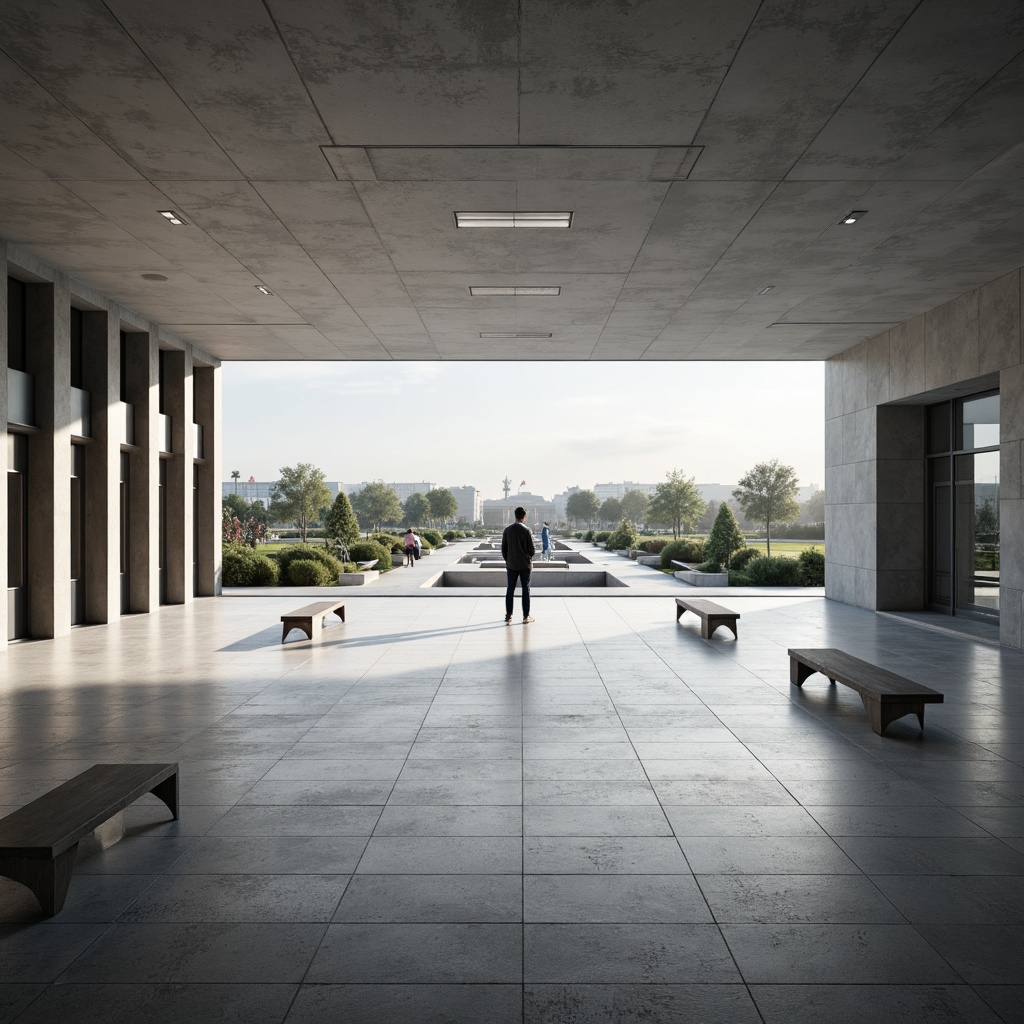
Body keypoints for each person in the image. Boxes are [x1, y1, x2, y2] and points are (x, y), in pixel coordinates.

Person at [501, 506, 535, 623]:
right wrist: (528, 558)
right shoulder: (526, 531)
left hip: (511, 565)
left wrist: (508, 560)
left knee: (510, 589)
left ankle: (509, 615)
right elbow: (532, 550)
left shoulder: (507, 530)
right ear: (524, 517)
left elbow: (503, 549)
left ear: (515, 516)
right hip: (525, 565)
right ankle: (526, 616)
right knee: (526, 589)